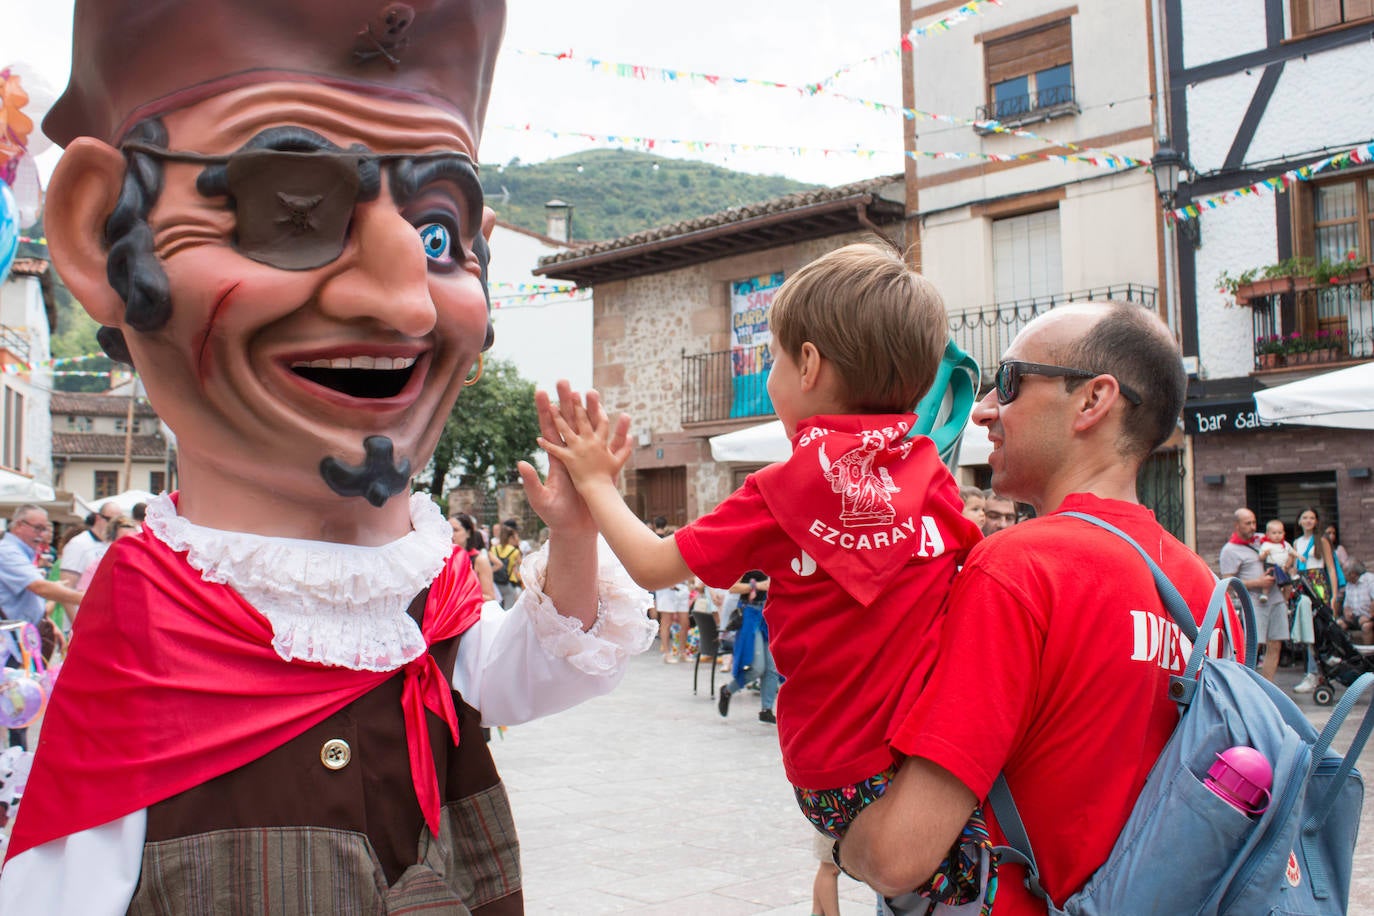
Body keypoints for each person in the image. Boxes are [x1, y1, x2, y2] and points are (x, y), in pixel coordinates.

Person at [0, 2, 659, 911]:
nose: (408, 307)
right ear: (96, 235)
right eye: (293, 211)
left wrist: (577, 536)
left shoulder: (424, 586)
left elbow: (516, 680)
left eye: (437, 235)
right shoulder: (149, 620)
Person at [541, 243, 982, 853]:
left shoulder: (782, 491)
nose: (770, 373)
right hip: (931, 759)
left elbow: (649, 564)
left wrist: (593, 482)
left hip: (836, 778)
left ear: (807, 365)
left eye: (770, 357)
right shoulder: (932, 476)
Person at [836, 301, 1230, 913]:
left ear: (1093, 401)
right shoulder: (1207, 594)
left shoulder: (1019, 568)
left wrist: (836, 847)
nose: (987, 409)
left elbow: (898, 855)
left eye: (1012, 381)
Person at [0, 505, 86, 749]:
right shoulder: (8, 552)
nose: (43, 534)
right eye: (37, 528)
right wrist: (84, 597)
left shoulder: (21, 552)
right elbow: (39, 587)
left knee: (19, 708)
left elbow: (33, 596)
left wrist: (46, 624)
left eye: (45, 528)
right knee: (14, 706)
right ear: (19, 526)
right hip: (9, 645)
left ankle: (13, 761)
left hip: (21, 642)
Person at [1219, 508, 1284, 682]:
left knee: (1276, 643)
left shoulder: (1263, 540)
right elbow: (1228, 582)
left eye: (1254, 522)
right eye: (1248, 523)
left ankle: (1267, 685)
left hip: (1276, 598)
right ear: (1237, 525)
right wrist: (1258, 583)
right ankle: (1247, 683)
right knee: (1254, 645)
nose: (1253, 527)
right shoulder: (1230, 550)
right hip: (1254, 602)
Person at [717, 570, 778, 722]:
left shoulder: (772, 557)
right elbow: (733, 588)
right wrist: (758, 586)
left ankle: (766, 709)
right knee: (757, 667)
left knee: (772, 668)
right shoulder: (748, 561)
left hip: (768, 613)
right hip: (750, 613)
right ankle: (727, 691)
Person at [1295, 507, 1342, 615]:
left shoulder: (1322, 540)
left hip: (1318, 580)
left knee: (1321, 614)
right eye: (1305, 518)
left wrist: (1334, 595)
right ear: (1299, 521)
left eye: (1312, 518)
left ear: (1316, 521)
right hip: (1302, 581)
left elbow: (1331, 568)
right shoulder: (1297, 542)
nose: (1308, 521)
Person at [57, 505, 116, 588]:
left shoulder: (112, 545)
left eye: (118, 523)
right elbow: (67, 585)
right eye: (111, 521)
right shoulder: (79, 544)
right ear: (98, 518)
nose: (114, 527)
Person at [451, 511, 498, 603]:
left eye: (456, 530)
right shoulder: (440, 560)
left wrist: (460, 596)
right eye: (447, 530)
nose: (451, 534)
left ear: (468, 533)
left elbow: (490, 597)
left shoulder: (479, 560)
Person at [489, 519, 524, 609]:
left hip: (495, 583)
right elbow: (522, 568)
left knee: (497, 608)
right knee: (509, 609)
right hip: (509, 583)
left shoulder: (494, 549)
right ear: (511, 537)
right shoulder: (515, 551)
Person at [1340, 560, 1373, 644]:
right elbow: (1346, 605)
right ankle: (1347, 653)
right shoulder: (1349, 585)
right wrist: (1347, 612)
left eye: (1345, 572)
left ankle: (1367, 655)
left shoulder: (1370, 580)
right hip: (1355, 617)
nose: (1343, 575)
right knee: (1338, 624)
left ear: (1353, 573)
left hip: (1369, 617)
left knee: (1366, 626)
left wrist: (1369, 617)